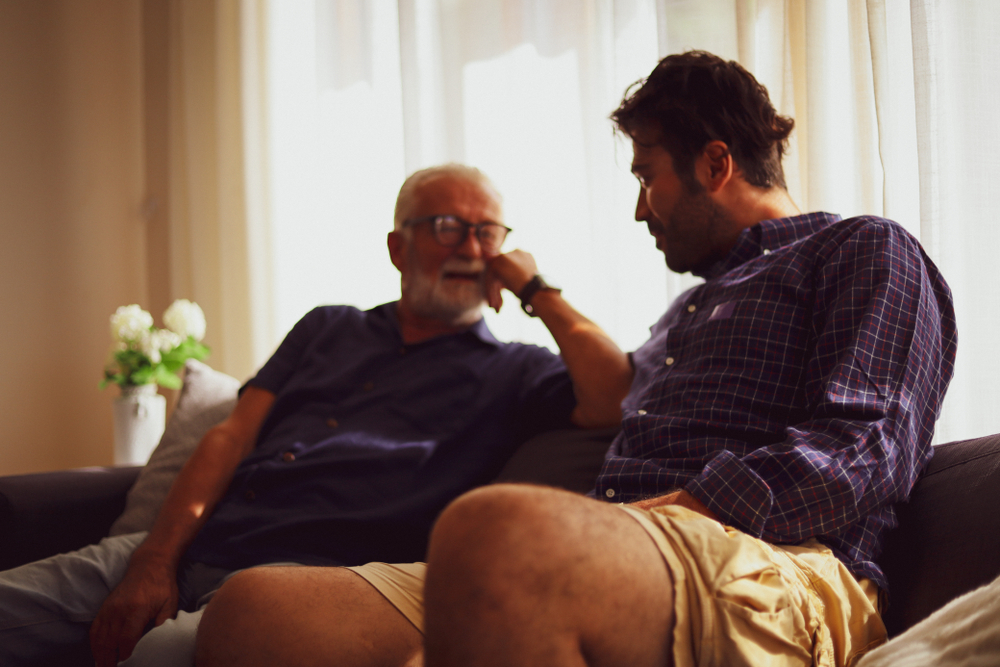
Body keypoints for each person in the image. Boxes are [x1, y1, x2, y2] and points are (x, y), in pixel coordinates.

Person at [195, 51, 958, 667]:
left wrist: (658, 512)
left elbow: (864, 449)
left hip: (781, 571)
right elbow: (609, 394)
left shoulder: (861, 248)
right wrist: (531, 287)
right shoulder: (683, 313)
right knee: (253, 610)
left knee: (495, 527)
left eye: (645, 175)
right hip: (622, 555)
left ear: (716, 163)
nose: (638, 207)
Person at [0, 163, 632, 667]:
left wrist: (536, 289)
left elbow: (614, 395)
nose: (470, 248)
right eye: (445, 226)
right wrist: (154, 560)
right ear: (397, 246)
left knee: (159, 657)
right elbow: (229, 436)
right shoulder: (330, 326)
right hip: (195, 541)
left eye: (487, 232)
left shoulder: (517, 370)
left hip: (303, 584)